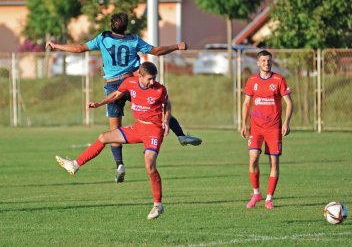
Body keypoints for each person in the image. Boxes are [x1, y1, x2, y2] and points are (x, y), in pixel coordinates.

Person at [47, 12, 202, 183]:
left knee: (114, 130)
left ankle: (119, 164)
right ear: (126, 26)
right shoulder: (133, 40)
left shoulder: (103, 38)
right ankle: (180, 135)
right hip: (132, 81)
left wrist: (56, 46)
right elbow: (157, 51)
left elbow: (79, 49)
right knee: (159, 106)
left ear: (111, 25)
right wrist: (177, 46)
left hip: (114, 85)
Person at [56, 61, 169, 220]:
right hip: (138, 128)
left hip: (153, 130)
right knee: (104, 137)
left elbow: (167, 104)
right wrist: (99, 103)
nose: (153, 81)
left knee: (149, 164)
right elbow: (116, 94)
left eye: (154, 78)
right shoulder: (130, 82)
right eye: (149, 78)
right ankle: (75, 165)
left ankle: (158, 205)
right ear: (140, 76)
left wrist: (166, 120)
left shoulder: (159, 89)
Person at [240, 50, 293, 209]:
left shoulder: (279, 79)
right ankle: (256, 193)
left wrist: (286, 123)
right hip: (256, 127)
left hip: (273, 128)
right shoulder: (252, 80)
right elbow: (246, 103)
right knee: (253, 158)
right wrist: (243, 123)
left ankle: (269, 198)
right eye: (263, 61)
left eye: (269, 60)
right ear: (258, 63)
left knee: (274, 163)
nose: (266, 63)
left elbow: (289, 103)